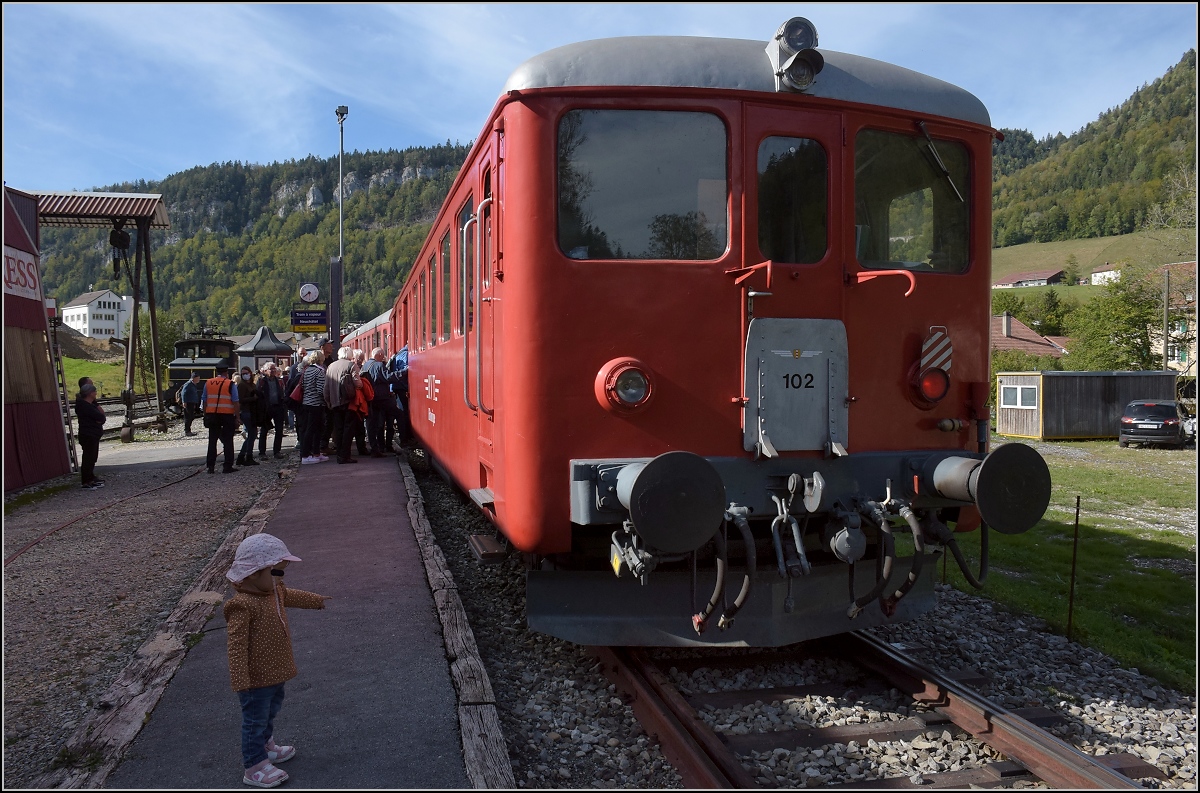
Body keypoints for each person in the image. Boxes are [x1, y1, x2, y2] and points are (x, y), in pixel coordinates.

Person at [224, 533, 329, 789]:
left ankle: (265, 746)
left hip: (275, 671)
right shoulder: (243, 605)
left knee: (270, 712)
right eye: (276, 572)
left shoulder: (272, 591)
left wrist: (315, 600)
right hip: (255, 678)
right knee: (254, 719)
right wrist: (240, 679)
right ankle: (254, 765)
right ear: (252, 573)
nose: (280, 579)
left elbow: (289, 595)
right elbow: (236, 646)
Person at [202, 360, 241, 474]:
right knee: (228, 441)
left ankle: (210, 466)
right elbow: (235, 402)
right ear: (226, 372)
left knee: (212, 441)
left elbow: (204, 400)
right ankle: (227, 466)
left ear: (216, 372)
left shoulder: (208, 383)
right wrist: (237, 417)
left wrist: (206, 414)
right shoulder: (230, 384)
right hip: (227, 415)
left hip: (212, 415)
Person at [323, 347, 360, 464]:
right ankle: (345, 455)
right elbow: (357, 383)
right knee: (348, 429)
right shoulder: (351, 365)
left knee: (338, 429)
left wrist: (328, 401)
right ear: (349, 354)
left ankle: (339, 454)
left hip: (334, 403)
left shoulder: (331, 366)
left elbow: (326, 387)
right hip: (348, 401)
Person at [361, 347, 398, 457]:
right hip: (382, 399)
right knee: (397, 415)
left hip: (371, 398)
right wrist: (403, 372)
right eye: (382, 356)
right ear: (380, 355)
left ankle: (377, 447)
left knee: (375, 423)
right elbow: (388, 377)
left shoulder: (366, 365)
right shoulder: (379, 365)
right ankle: (401, 440)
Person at [74, 383, 106, 489]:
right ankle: (86, 481)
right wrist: (99, 419)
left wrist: (99, 419)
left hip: (93, 434)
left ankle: (91, 478)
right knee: (88, 458)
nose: (96, 393)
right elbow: (99, 417)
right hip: (88, 434)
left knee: (92, 457)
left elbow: (101, 418)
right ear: (90, 393)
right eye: (94, 392)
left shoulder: (90, 405)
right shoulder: (84, 406)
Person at [298, 350, 328, 465]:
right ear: (321, 359)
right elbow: (321, 390)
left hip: (307, 402)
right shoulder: (319, 371)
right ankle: (306, 455)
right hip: (316, 404)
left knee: (312, 429)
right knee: (314, 430)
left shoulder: (307, 370)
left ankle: (314, 453)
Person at [257, 363, 288, 459]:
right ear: (266, 371)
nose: (273, 371)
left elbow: (283, 392)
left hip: (278, 407)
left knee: (279, 430)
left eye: (274, 369)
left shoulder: (279, 381)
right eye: (271, 369)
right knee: (264, 431)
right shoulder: (261, 381)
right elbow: (258, 395)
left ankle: (277, 451)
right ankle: (262, 452)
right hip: (266, 409)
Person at [236, 366, 261, 467]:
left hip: (252, 411)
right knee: (252, 434)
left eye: (246, 373)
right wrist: (253, 398)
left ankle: (242, 456)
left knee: (252, 434)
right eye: (243, 374)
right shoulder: (241, 385)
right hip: (246, 411)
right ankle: (247, 456)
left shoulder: (251, 384)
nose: (245, 375)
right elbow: (240, 399)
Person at [181, 372, 203, 436]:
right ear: (194, 378)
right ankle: (187, 431)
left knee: (191, 416)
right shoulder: (188, 384)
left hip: (192, 402)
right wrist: (184, 401)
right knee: (188, 417)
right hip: (188, 403)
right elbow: (183, 393)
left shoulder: (193, 384)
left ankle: (188, 430)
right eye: (198, 378)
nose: (199, 380)